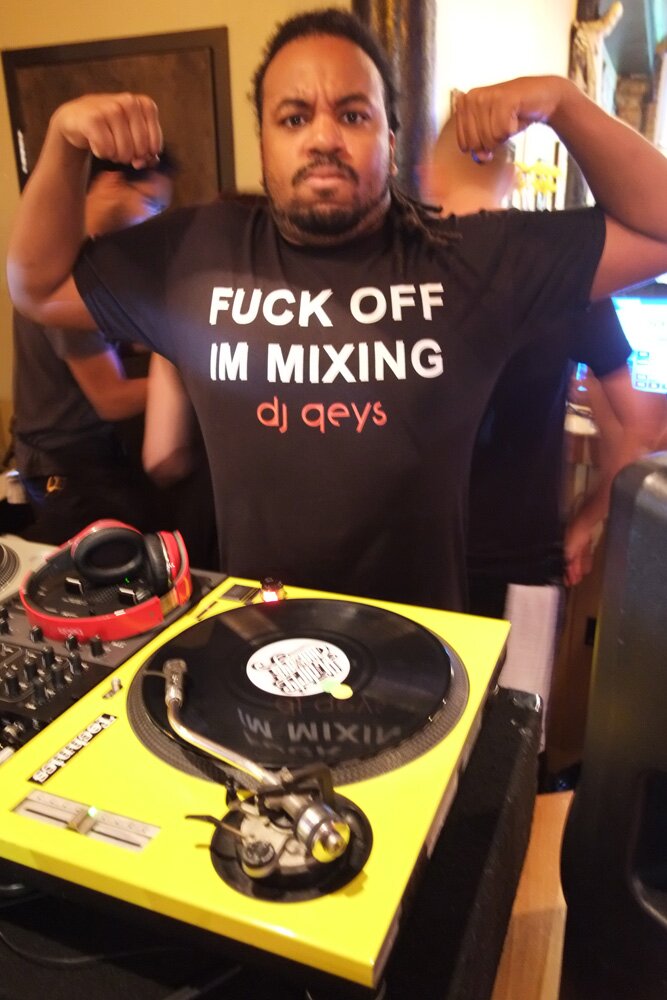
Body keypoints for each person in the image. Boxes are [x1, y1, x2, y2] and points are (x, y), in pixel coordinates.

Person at [8, 8, 667, 612]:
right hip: (254, 645)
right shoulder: (196, 252)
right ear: (263, 139)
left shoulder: (468, 256)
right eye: (294, 118)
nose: (323, 138)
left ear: (391, 137)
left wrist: (564, 103)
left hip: (424, 652)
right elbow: (37, 286)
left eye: (353, 116)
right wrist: (65, 142)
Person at [420, 115, 666, 616]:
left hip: (412, 557)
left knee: (406, 668)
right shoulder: (563, 272)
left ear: (428, 175)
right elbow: (644, 426)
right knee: (521, 671)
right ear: (512, 177)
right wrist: (589, 516)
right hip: (525, 562)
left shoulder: (399, 270)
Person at [11, 153, 175, 544]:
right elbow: (112, 399)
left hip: (74, 453)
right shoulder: (68, 272)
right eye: (151, 204)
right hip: (66, 463)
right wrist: (194, 381)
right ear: (112, 182)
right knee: (111, 567)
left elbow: (112, 337)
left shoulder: (83, 255)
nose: (152, 223)